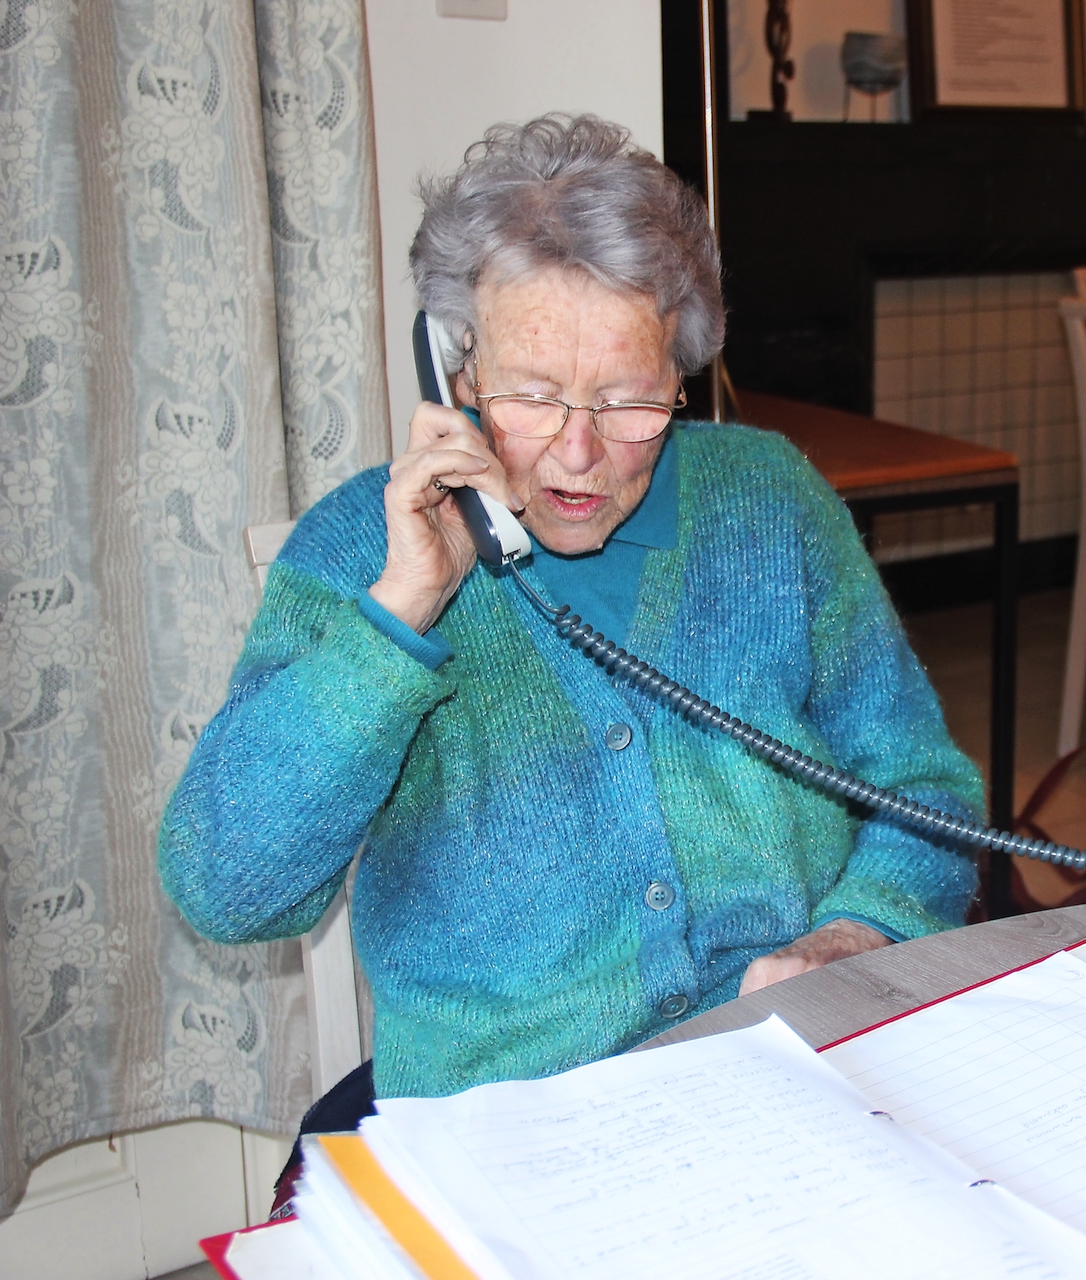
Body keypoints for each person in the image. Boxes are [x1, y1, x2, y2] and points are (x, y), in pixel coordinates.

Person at [157, 115, 983, 1107]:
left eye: (630, 401)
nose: (577, 454)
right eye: (532, 396)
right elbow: (228, 888)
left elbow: (923, 786)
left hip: (787, 1082)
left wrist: (857, 932)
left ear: (681, 375)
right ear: (454, 373)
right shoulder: (352, 555)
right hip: (511, 1127)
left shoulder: (771, 499)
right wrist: (399, 615)